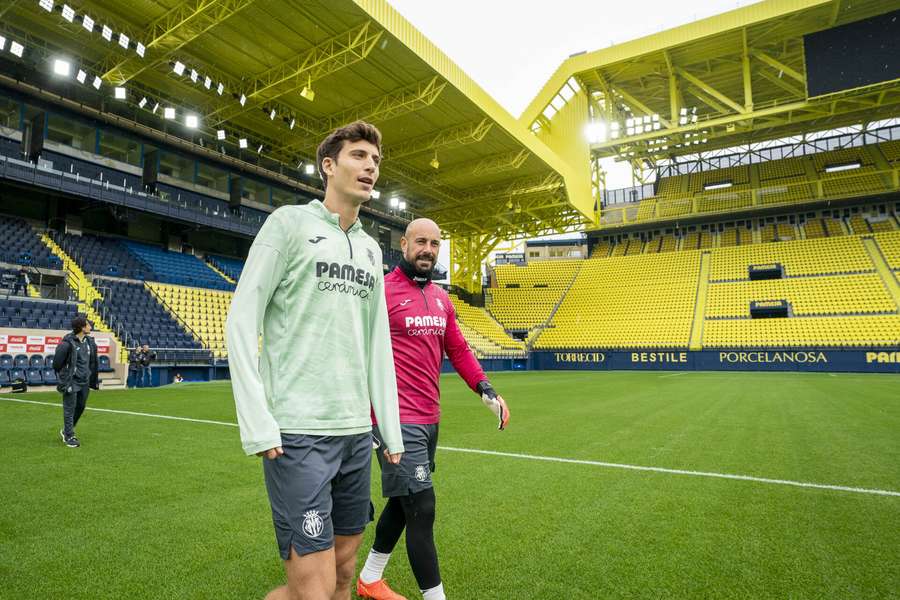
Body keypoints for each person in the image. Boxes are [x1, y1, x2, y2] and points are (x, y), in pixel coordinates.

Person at [226, 121, 405, 600]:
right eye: (359, 156)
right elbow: (241, 319)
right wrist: (258, 422)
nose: (371, 166)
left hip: (354, 436)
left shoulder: (370, 250)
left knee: (343, 578)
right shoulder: (288, 224)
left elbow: (377, 344)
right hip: (297, 434)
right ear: (329, 165)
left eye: (376, 160)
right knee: (314, 590)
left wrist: (388, 427)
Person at [357, 218, 509, 600]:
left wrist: (485, 389)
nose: (428, 249)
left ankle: (370, 579)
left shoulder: (442, 299)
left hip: (429, 418)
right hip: (393, 418)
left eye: (435, 243)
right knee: (422, 507)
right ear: (404, 244)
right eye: (421, 242)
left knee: (404, 501)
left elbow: (457, 349)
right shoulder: (381, 290)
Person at [53, 316, 99, 448]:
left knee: (81, 406)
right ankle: (69, 436)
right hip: (71, 381)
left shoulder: (90, 342)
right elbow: (57, 364)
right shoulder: (67, 343)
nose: (91, 326)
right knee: (69, 409)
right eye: (88, 324)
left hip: (84, 381)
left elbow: (92, 362)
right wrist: (65, 378)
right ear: (82, 328)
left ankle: (67, 430)